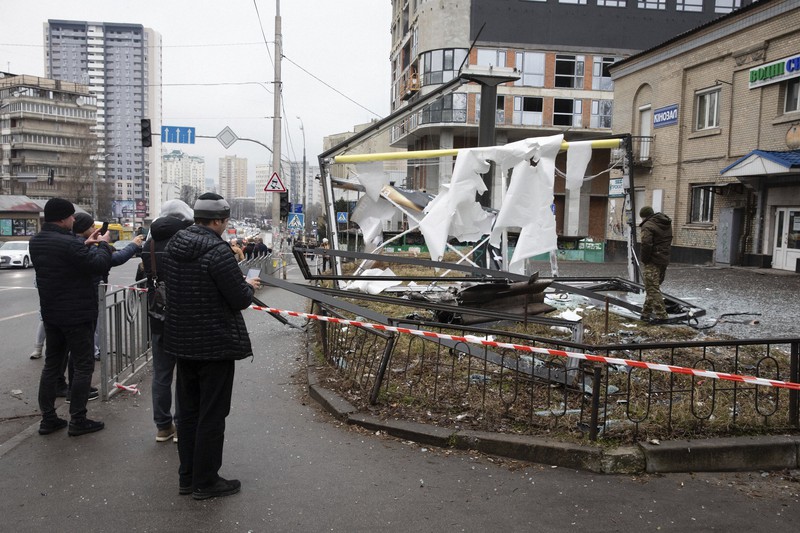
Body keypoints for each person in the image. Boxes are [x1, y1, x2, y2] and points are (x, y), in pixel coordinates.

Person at [163, 193, 260, 500]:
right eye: (225, 221)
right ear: (218, 221)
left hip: (181, 342)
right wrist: (248, 285)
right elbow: (240, 299)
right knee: (213, 413)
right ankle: (207, 481)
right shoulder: (218, 252)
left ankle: (187, 477)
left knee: (188, 412)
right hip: (215, 344)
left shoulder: (174, 247)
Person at [30, 198, 114, 437]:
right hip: (77, 315)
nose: (74, 220)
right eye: (71, 216)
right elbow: (97, 265)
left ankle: (48, 419)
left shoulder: (36, 241)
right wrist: (102, 245)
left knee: (51, 365)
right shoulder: (69, 244)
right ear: (63, 218)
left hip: (52, 314)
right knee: (83, 365)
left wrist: (84, 244)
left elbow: (66, 262)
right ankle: (78, 418)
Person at [140, 199, 194, 443]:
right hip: (184, 317)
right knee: (184, 375)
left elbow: (145, 274)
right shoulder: (187, 242)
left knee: (161, 374)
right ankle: (182, 425)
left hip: (158, 315)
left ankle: (162, 426)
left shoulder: (148, 243)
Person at [639, 206, 673, 323]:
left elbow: (646, 244)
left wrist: (645, 259)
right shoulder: (665, 223)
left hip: (652, 260)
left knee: (652, 289)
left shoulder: (647, 225)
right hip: (663, 259)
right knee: (652, 287)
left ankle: (662, 316)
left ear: (643, 216)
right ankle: (645, 314)